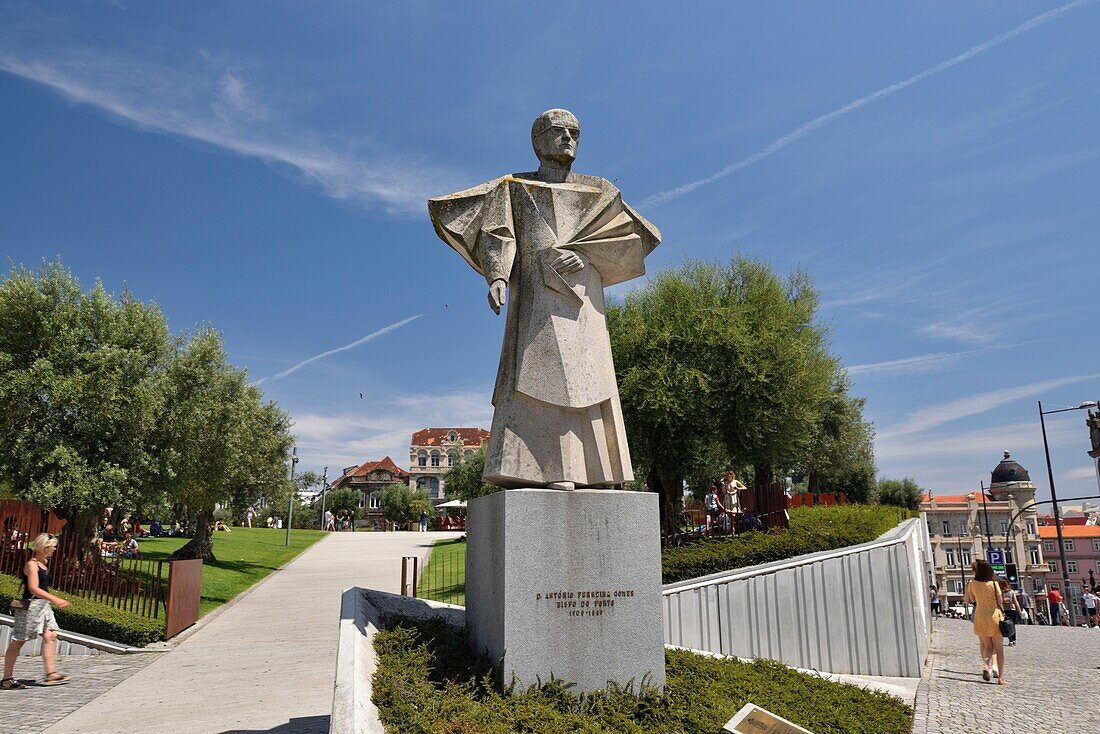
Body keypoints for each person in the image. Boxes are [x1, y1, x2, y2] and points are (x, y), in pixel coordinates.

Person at [2, 534, 72, 689]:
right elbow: (33, 588)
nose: (54, 549)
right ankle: (7, 679)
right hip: (31, 607)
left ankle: (51, 674)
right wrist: (56, 599)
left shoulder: (44, 563)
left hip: (43, 607)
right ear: (44, 547)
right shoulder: (32, 565)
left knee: (51, 634)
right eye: (53, 546)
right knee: (19, 642)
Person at [965, 560, 1006, 685]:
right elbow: (1000, 601)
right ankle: (1000, 678)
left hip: (980, 616)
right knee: (999, 649)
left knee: (987, 646)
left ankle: (985, 666)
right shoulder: (993, 584)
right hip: (994, 615)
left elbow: (971, 600)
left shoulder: (972, 584)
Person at [998, 579, 1021, 645]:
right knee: (1012, 626)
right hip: (1012, 610)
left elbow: (999, 603)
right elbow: (1015, 602)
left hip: (1004, 611)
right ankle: (1014, 640)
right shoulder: (1011, 592)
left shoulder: (1000, 593)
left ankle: (1010, 640)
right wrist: (1019, 610)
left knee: (1007, 626)